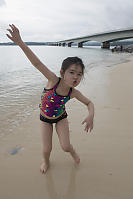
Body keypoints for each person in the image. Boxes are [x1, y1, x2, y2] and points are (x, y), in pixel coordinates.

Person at [6, 24, 94, 174]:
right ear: (62, 72)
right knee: (47, 149)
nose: (75, 77)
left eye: (79, 74)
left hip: (60, 118)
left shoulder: (73, 92)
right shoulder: (53, 80)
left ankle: (73, 153)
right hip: (45, 119)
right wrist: (20, 42)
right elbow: (37, 63)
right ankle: (46, 161)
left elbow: (89, 103)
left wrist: (91, 115)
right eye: (72, 72)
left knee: (65, 146)